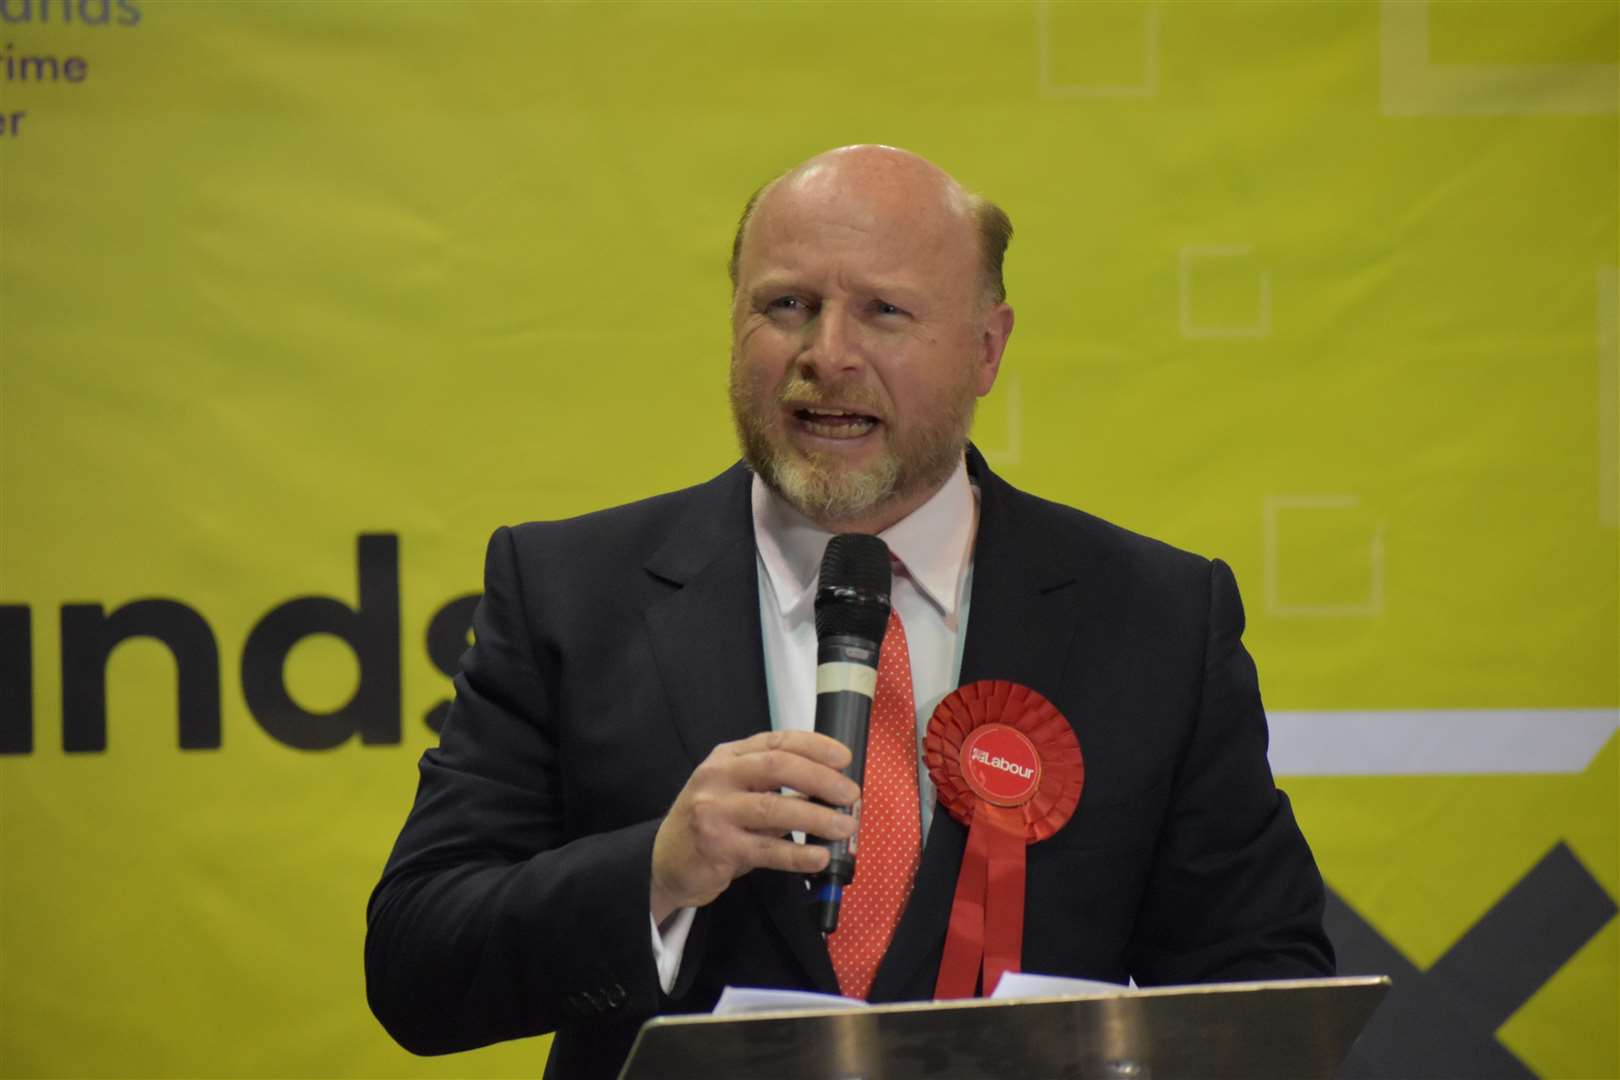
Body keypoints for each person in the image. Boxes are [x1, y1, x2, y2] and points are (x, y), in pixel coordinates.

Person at [365, 145, 1334, 1079]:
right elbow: (418, 969)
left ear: (987, 349)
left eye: (885, 312)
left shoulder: (1157, 616)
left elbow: (1262, 991)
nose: (828, 355)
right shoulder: (568, 591)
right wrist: (656, 872)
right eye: (786, 305)